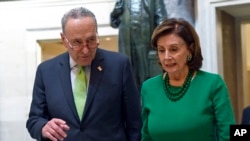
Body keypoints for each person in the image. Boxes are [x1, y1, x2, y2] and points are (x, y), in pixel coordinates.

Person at [26, 7, 142, 141]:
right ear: (64, 40)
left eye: (91, 40)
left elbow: (135, 122)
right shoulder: (45, 71)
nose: (86, 50)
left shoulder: (119, 65)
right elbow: (34, 120)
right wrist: (43, 127)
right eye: (77, 42)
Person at [140, 18, 235, 141]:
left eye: (174, 49)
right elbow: (146, 137)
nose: (166, 57)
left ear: (190, 49)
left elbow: (227, 134)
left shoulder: (213, 84)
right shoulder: (149, 87)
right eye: (161, 50)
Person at [110, 0, 167, 89]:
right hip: (127, 44)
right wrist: (117, 8)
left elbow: (162, 21)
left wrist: (162, 44)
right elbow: (113, 23)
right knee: (128, 78)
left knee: (145, 77)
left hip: (145, 44)